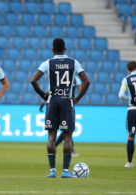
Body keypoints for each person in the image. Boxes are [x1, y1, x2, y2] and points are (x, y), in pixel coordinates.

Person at [31, 38, 90, 178]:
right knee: (67, 135)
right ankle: (65, 170)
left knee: (51, 135)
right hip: (66, 102)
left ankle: (52, 170)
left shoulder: (48, 63)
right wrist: (76, 99)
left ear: (53, 49)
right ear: (65, 48)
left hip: (52, 102)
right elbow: (87, 81)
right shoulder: (74, 63)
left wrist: (44, 96)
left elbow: (33, 80)